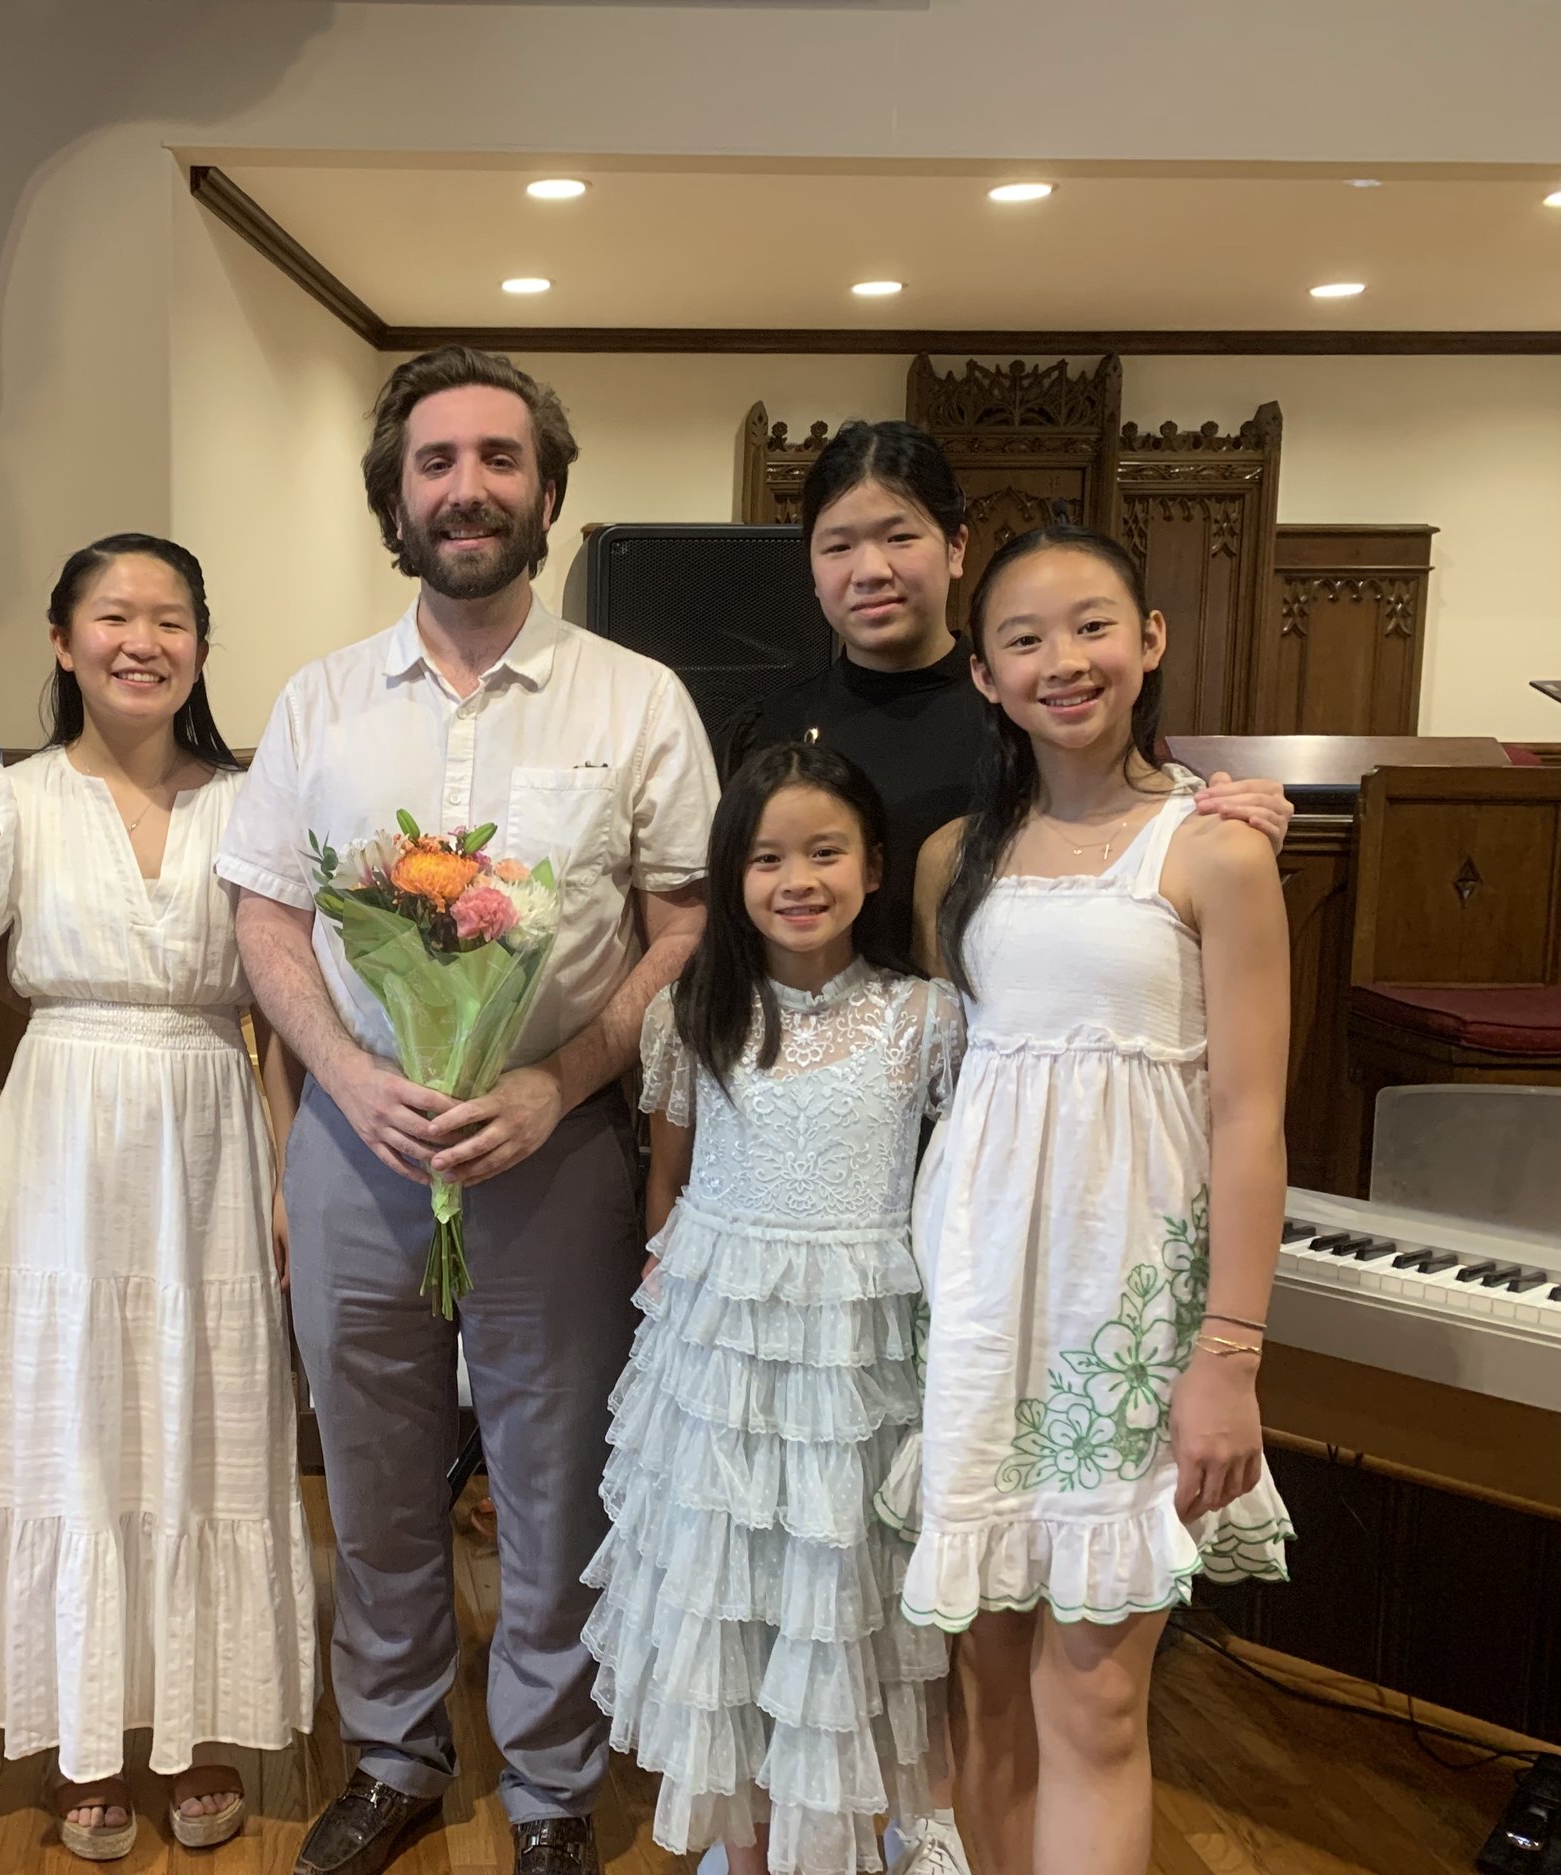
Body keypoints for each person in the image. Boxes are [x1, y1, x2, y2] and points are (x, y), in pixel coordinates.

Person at [218, 345, 719, 1875]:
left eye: (501, 459)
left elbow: (689, 918)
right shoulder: (318, 701)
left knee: (555, 1477)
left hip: (554, 1149)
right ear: (396, 500)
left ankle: (556, 1782)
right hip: (354, 1152)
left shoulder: (636, 699)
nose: (469, 487)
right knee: (370, 1477)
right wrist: (353, 1076)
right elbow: (267, 914)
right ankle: (392, 1748)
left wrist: (559, 1077)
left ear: (548, 493)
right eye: (436, 463)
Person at [903, 523, 1295, 1875]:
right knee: (986, 1688)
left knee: (1096, 1692)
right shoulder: (957, 857)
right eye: (1024, 636)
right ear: (984, 673)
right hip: (977, 1304)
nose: (1063, 659)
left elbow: (1249, 1121)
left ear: (1152, 640)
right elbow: (947, 1082)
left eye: (1092, 624)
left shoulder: (1217, 849)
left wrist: (1228, 1354)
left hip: (1125, 1306)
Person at [0, 535, 319, 1856]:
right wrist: (86, 1018)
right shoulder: (10, 796)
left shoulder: (255, 797)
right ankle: (85, 1733)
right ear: (64, 640)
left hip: (214, 1111)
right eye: (113, 616)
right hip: (61, 1125)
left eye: (170, 619)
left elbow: (282, 1004)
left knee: (208, 1404)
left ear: (202, 647)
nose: (140, 640)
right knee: (70, 1411)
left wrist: (287, 1170)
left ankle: (202, 1723)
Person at [585, 742, 959, 1875]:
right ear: (731, 877)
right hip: (723, 1344)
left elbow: (949, 1183)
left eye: (824, 852)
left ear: (875, 866)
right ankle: (747, 1849)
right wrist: (664, 1274)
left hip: (859, 1353)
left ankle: (861, 1834)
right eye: (764, 859)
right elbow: (670, 1171)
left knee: (843, 1592)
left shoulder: (925, 1019)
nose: (796, 879)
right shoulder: (695, 1016)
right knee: (733, 1604)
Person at [730, 420, 1292, 960]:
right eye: (837, 547)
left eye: (900, 537)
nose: (870, 569)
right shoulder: (771, 730)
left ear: (956, 548)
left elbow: (1140, 822)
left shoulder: (1033, 705)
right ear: (810, 565)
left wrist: (1231, 816)